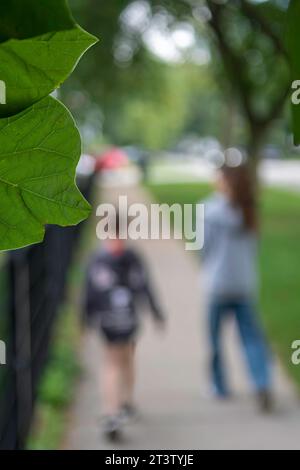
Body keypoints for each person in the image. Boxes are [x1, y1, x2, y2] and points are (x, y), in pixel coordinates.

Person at [83, 215, 165, 441]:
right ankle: (112, 411)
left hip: (129, 320)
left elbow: (145, 285)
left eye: (120, 235)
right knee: (112, 362)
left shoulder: (132, 258)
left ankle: (125, 401)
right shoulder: (99, 261)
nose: (116, 240)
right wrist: (86, 318)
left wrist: (156, 311)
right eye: (112, 235)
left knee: (126, 358)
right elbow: (88, 292)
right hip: (109, 321)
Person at [199, 164, 272, 412]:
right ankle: (261, 382)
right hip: (244, 284)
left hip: (217, 285)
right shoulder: (249, 209)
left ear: (224, 181)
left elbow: (203, 247)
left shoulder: (208, 210)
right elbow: (255, 248)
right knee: (252, 339)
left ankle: (219, 386)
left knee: (215, 340)